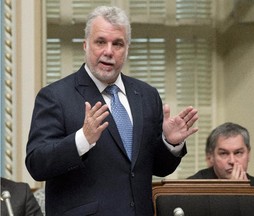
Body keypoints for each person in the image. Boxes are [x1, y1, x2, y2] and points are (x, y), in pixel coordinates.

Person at [25, 6, 198, 216]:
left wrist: (169, 143)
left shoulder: (146, 95)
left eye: (117, 44)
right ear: (85, 45)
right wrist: (82, 140)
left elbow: (156, 169)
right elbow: (37, 164)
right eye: (100, 42)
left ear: (127, 49)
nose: (109, 51)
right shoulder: (55, 96)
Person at [187, 122, 254, 216]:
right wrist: (231, 194)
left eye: (238, 153)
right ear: (211, 156)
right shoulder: (190, 189)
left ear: (248, 154)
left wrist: (245, 197)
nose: (232, 161)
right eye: (223, 153)